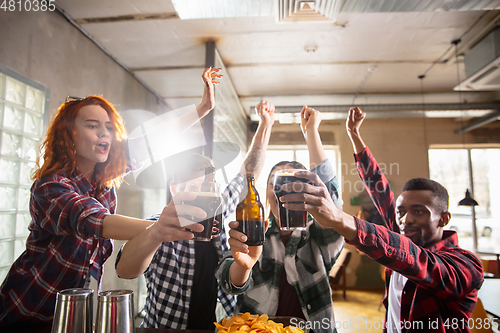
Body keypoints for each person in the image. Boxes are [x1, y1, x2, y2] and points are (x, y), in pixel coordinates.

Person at [0, 67, 222, 329]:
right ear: (69, 135)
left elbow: (151, 142)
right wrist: (164, 228)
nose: (104, 133)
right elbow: (96, 221)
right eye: (92, 126)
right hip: (28, 310)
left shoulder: (102, 180)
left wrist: (202, 109)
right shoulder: (50, 186)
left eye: (108, 127)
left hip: (77, 311)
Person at [280, 106, 484, 332]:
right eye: (402, 211)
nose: (406, 219)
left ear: (444, 219)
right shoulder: (401, 231)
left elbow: (418, 261)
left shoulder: (466, 264)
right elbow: (380, 190)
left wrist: (340, 218)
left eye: (419, 211)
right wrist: (355, 136)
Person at [115, 101, 275, 330]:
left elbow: (248, 172)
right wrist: (155, 234)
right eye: (191, 185)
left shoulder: (219, 215)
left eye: (207, 185)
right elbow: (124, 270)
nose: (200, 192)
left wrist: (265, 125)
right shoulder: (158, 226)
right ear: (173, 189)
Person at [216, 106, 344, 333]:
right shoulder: (255, 231)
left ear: (308, 191)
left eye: (292, 184)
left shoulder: (319, 233)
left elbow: (333, 206)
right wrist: (243, 267)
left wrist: (312, 132)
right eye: (275, 183)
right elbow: (228, 283)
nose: (283, 190)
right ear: (266, 192)